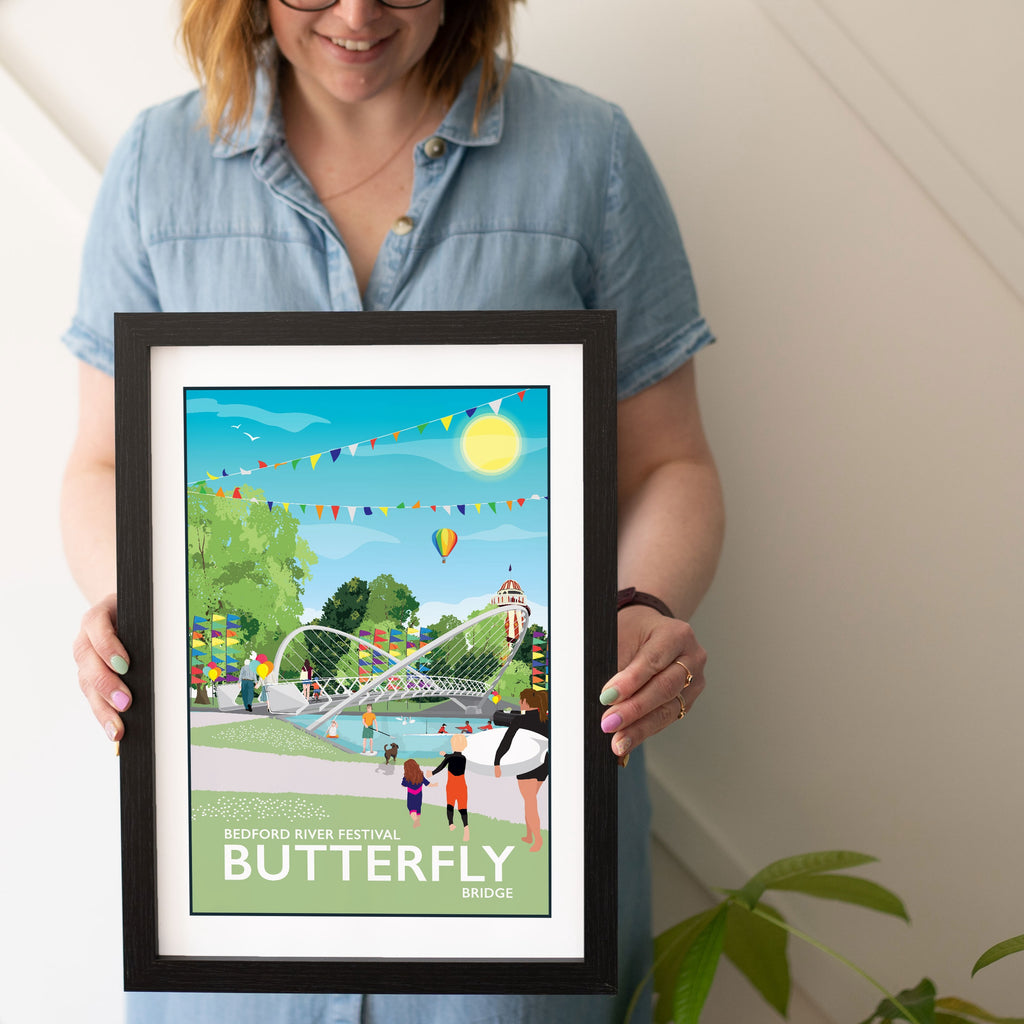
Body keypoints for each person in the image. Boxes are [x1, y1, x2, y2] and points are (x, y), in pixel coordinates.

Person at [61, 0, 724, 1019]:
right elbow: (103, 463)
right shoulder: (157, 164)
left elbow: (668, 461)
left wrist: (637, 604)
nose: (359, 14)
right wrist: (137, 607)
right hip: (229, 900)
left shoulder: (588, 154)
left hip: (523, 907)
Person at [493, 688, 549, 852]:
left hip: (526, 764)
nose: (519, 703)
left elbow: (506, 743)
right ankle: (529, 834)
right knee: (529, 800)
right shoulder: (546, 719)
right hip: (543, 764)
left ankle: (537, 839)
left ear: (526, 702)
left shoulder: (519, 721)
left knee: (530, 801)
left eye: (521, 700)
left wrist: (497, 762)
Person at [428, 733, 470, 840]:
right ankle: (466, 828)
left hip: (451, 785)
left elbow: (441, 766)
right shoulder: (464, 758)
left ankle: (451, 824)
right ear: (464, 746)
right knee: (463, 808)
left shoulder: (450, 757)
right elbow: (454, 757)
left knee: (450, 805)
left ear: (452, 745)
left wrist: (431, 773)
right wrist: (446, 755)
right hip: (462, 785)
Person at [400, 758, 430, 825]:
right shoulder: (420, 775)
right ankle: (418, 821)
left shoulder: (406, 777)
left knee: (411, 808)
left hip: (411, 795)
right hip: (419, 794)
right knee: (418, 807)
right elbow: (427, 783)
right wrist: (434, 784)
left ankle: (416, 820)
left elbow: (403, 785)